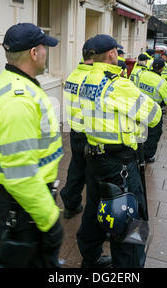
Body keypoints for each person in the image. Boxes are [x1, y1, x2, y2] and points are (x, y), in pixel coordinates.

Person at [0, 23, 63, 267]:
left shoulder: (9, 82)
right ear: (34, 53)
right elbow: (20, 175)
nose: (47, 52)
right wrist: (50, 220)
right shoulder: (18, 100)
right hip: (24, 202)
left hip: (20, 199)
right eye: (44, 48)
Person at [76, 34, 161, 268]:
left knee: (95, 209)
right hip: (120, 163)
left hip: (95, 158)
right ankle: (129, 267)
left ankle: (90, 257)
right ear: (112, 54)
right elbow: (154, 116)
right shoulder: (118, 85)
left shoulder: (85, 81)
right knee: (131, 219)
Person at [60, 39, 94, 219]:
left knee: (76, 167)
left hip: (76, 130)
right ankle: (96, 218)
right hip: (92, 133)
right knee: (94, 174)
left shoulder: (74, 74)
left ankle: (71, 204)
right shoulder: (96, 78)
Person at [135, 58, 167, 163]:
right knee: (154, 134)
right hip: (153, 111)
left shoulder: (142, 74)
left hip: (138, 107)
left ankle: (136, 153)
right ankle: (147, 156)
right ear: (162, 69)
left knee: (138, 131)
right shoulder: (162, 82)